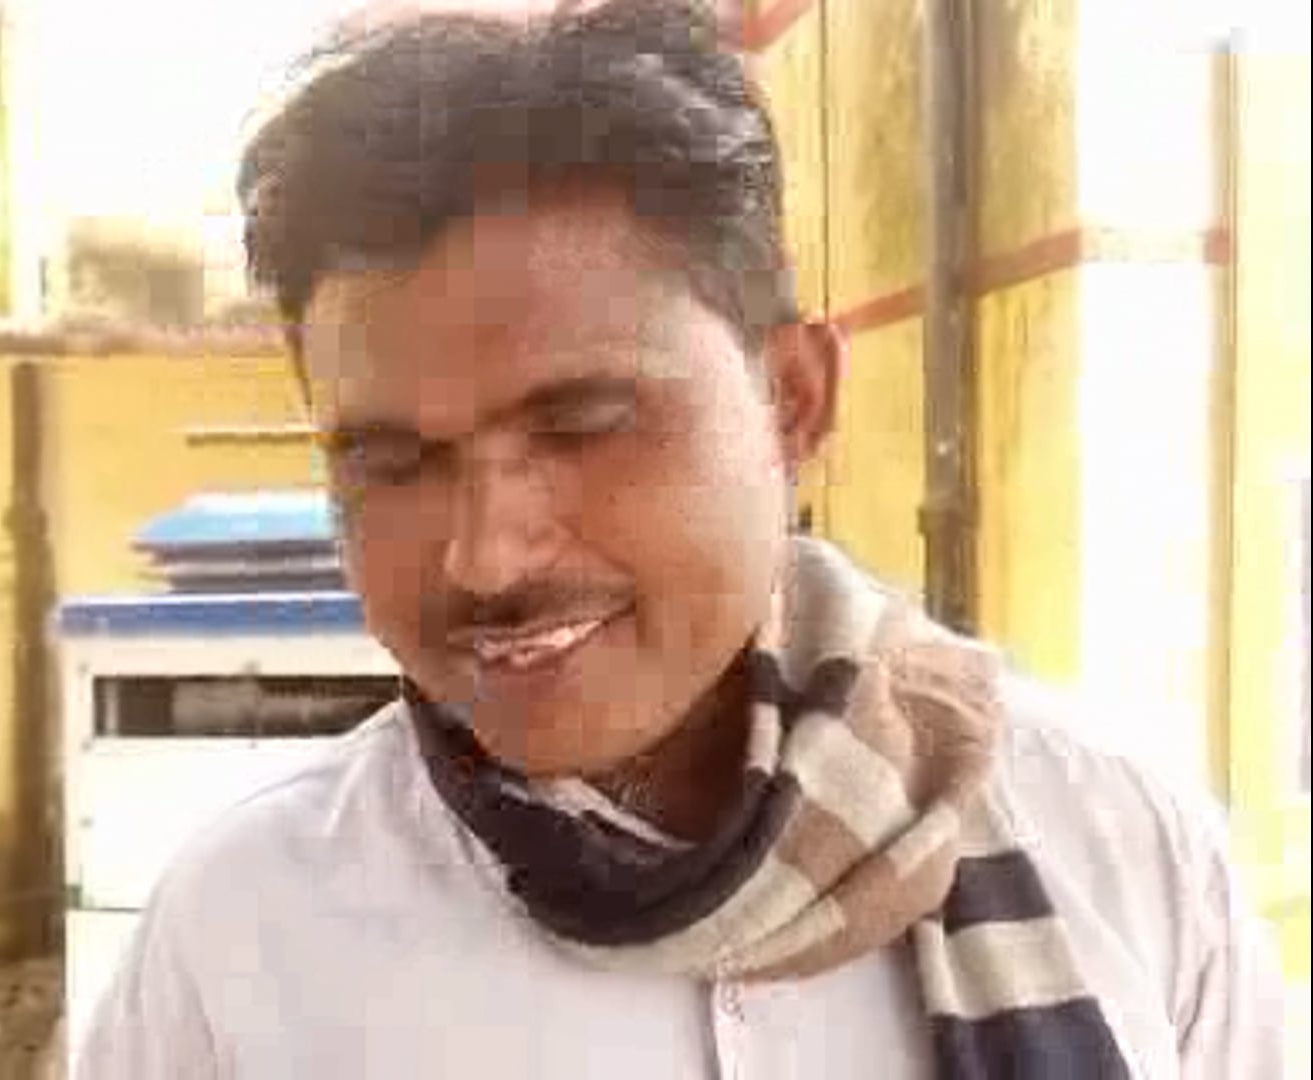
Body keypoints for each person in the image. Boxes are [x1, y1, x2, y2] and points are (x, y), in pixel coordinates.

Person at [74, 1, 1288, 1075]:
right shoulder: (244, 941)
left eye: (582, 425)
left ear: (792, 400)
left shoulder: (1123, 852)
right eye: (392, 464)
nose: (487, 558)